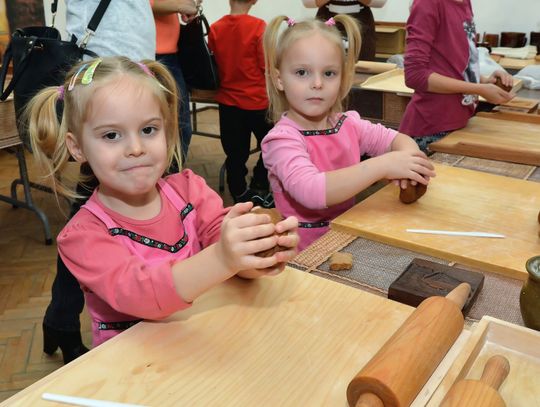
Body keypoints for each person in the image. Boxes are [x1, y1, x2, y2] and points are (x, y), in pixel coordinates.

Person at [27, 56, 300, 347]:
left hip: (204, 341)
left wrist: (256, 251)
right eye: (111, 135)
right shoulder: (82, 236)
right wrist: (223, 257)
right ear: (77, 147)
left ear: (167, 131)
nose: (135, 148)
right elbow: (141, 293)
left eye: (148, 130)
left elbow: (226, 248)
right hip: (135, 367)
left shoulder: (188, 190)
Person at [42, 0, 158, 364]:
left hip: (134, 82)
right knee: (95, 222)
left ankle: (59, 320)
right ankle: (63, 320)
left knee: (116, 218)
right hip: (104, 84)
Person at [261, 15, 435, 250]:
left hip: (346, 239)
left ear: (343, 78)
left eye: (329, 73)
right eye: (302, 72)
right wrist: (383, 166)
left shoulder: (347, 124)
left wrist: (408, 164)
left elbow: (397, 140)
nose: (317, 83)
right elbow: (311, 191)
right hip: (300, 256)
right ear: (279, 79)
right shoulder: (282, 140)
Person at [399, 0, 514, 153]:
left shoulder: (465, 2)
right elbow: (415, 75)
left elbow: (453, 63)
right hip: (430, 130)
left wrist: (484, 80)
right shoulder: (428, 3)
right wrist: (479, 89)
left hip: (460, 122)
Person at [208, 0, 274, 207]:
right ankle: (260, 183)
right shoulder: (259, 26)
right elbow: (265, 66)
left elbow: (215, 60)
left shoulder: (215, 27)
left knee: (235, 153)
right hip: (257, 101)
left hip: (228, 102)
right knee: (272, 146)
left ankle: (238, 191)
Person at [151, 0, 201, 163]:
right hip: (154, 56)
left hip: (168, 55)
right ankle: (167, 179)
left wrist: (184, 5)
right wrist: (180, 6)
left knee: (179, 124)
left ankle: (169, 178)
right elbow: (144, 4)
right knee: (178, 124)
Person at [302, 0, 388, 61]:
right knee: (324, 60)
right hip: (328, 19)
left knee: (363, 62)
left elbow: (380, 2)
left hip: (361, 22)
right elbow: (308, 3)